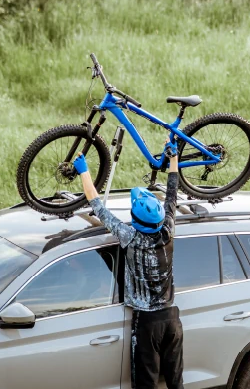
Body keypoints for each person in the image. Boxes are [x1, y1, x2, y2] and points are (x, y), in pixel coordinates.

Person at [73, 140, 184, 389]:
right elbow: (172, 192)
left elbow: (98, 207)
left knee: (145, 383)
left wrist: (84, 171)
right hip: (172, 319)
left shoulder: (129, 237)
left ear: (134, 219)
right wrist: (174, 157)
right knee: (176, 382)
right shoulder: (168, 229)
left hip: (148, 322)